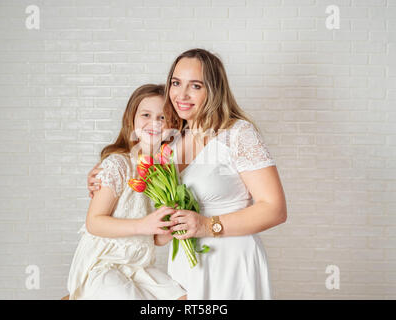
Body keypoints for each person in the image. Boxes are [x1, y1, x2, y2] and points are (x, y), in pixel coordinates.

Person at [88, 49, 287, 299]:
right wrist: (103, 173)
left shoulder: (237, 134)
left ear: (214, 90)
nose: (181, 94)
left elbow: (275, 208)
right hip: (186, 266)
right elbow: (132, 163)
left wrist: (207, 225)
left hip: (231, 263)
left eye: (195, 86)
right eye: (176, 83)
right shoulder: (171, 138)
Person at [67, 84, 186, 300]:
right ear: (132, 119)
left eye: (162, 117)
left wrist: (168, 229)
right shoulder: (119, 165)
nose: (154, 123)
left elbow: (155, 239)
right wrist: (142, 225)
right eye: (146, 115)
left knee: (182, 297)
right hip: (104, 265)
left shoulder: (166, 171)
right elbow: (94, 222)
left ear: (173, 125)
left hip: (138, 266)